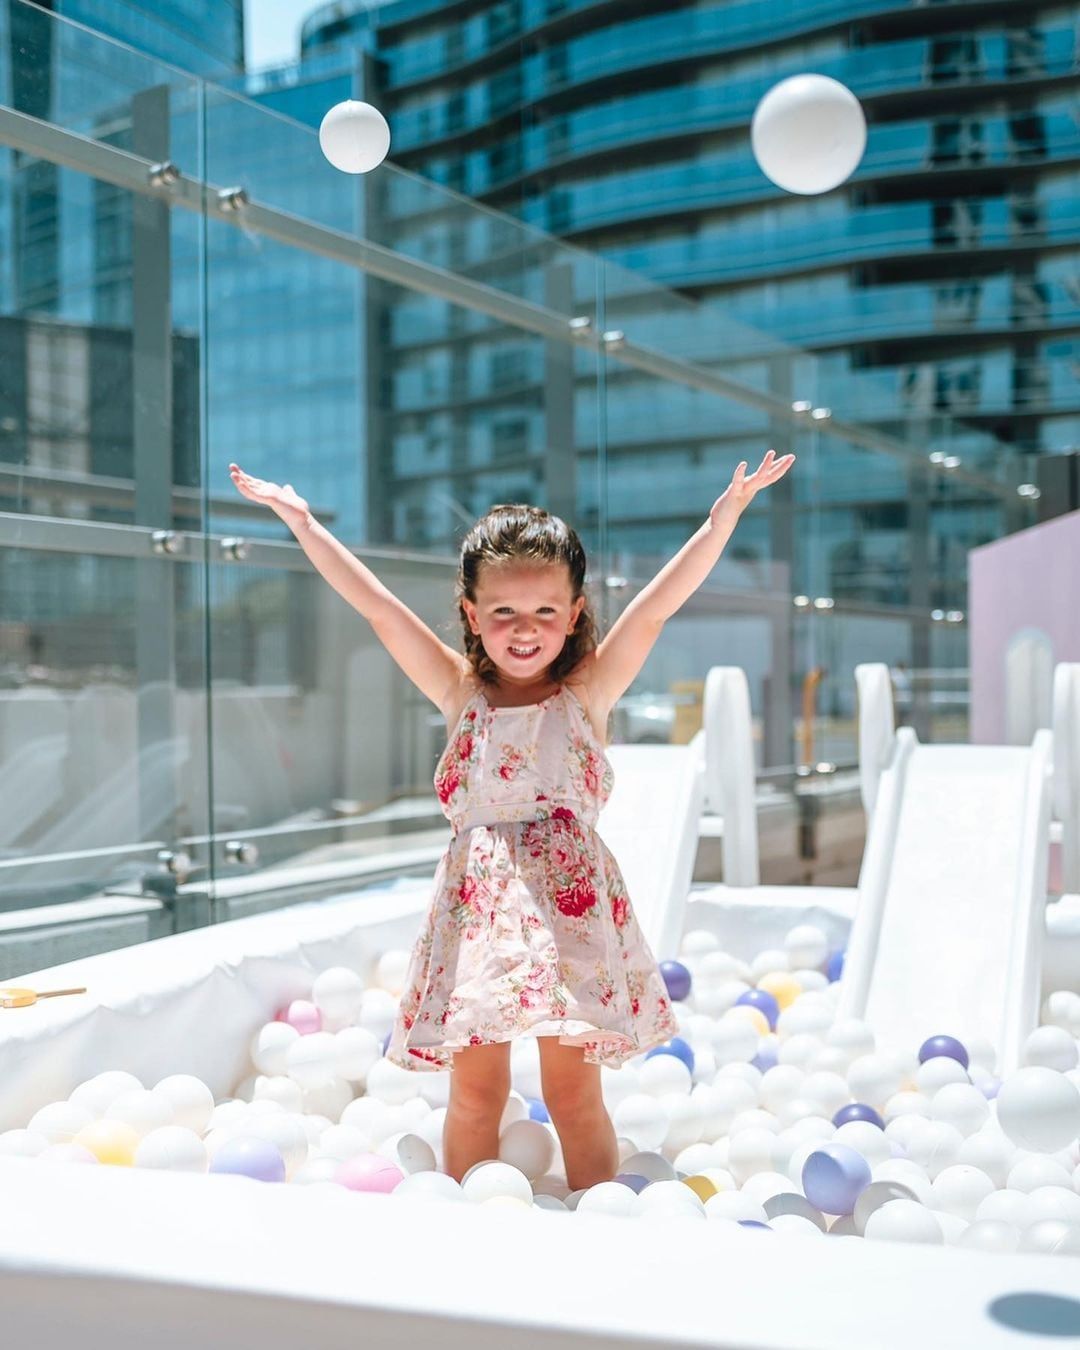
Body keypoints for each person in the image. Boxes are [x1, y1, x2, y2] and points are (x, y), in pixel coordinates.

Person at [228, 448, 794, 1191]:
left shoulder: (585, 693)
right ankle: (470, 1221)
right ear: (471, 614)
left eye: (544, 612)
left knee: (570, 1091)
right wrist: (302, 523)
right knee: (476, 1090)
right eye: (502, 612)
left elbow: (657, 606)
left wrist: (723, 520)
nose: (523, 630)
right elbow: (377, 608)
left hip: (571, 919)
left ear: (574, 614)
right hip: (480, 920)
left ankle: (603, 1218)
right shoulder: (461, 694)